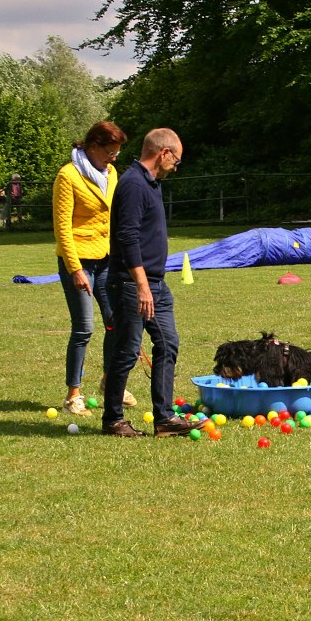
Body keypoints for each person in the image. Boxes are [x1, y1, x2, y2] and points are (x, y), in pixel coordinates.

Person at [101, 128, 208, 438]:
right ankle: (113, 420)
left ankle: (164, 419)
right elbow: (127, 237)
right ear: (163, 154)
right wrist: (142, 285)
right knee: (128, 350)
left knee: (167, 343)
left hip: (155, 284)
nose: (176, 167)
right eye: (177, 160)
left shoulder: (152, 183)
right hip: (132, 284)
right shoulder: (133, 184)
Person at [53, 121, 137, 417]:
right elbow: (62, 227)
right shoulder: (68, 175)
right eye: (110, 152)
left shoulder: (111, 173)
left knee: (115, 321)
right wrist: (74, 269)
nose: (114, 158)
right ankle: (73, 395)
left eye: (117, 152)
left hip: (107, 260)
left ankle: (108, 381)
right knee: (84, 328)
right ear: (92, 147)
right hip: (78, 260)